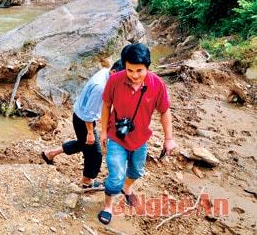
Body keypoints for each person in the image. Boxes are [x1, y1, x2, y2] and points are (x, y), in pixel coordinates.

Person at [97, 43, 176, 225]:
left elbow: (164, 111)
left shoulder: (157, 84)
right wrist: (103, 131)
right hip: (116, 137)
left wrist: (169, 138)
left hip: (140, 138)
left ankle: (127, 188)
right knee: (115, 175)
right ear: (124, 66)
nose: (134, 75)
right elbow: (107, 105)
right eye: (129, 70)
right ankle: (108, 206)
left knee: (137, 171)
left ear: (147, 66)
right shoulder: (115, 80)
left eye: (139, 70)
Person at [41, 59, 124, 189]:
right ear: (114, 72)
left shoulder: (105, 73)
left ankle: (50, 154)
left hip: (80, 114)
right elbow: (89, 113)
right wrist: (90, 132)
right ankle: (87, 181)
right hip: (84, 119)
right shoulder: (101, 87)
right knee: (96, 153)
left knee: (84, 144)